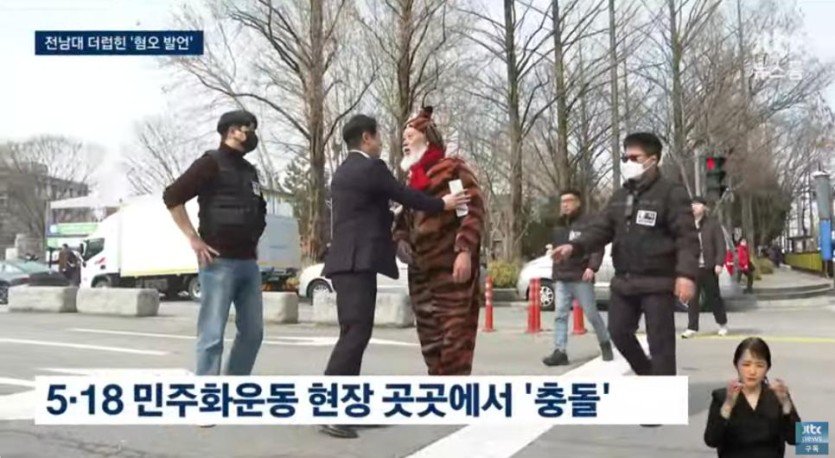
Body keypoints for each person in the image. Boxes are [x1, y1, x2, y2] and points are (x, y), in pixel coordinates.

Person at [319, 114, 468, 439]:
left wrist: (396, 216)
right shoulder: (372, 168)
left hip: (346, 262)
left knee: (354, 333)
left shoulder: (344, 172)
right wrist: (442, 203)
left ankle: (346, 408)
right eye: (378, 136)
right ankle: (329, 408)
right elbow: (406, 195)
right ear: (367, 138)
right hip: (356, 263)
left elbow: (369, 211)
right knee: (354, 335)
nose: (383, 142)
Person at [551, 132, 699, 394]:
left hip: (657, 281)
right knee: (618, 332)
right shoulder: (621, 195)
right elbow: (601, 229)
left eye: (634, 158)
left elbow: (687, 238)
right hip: (624, 281)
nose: (628, 163)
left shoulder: (671, 193)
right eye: (625, 158)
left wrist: (685, 275)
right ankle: (649, 376)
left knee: (661, 343)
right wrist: (574, 247)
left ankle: (664, 397)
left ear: (653, 160)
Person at [162, 110, 266, 384]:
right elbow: (172, 197)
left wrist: (254, 240)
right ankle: (208, 394)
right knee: (212, 336)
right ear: (233, 131)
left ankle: (233, 387)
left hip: (248, 264)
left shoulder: (250, 171)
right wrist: (193, 238)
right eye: (248, 128)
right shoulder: (210, 163)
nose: (252, 134)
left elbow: (260, 211)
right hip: (218, 263)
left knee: (253, 333)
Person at [392, 106, 486, 376]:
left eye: (410, 135)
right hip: (421, 274)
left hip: (450, 271)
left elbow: (472, 212)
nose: (405, 141)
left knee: (455, 337)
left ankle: (454, 387)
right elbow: (401, 222)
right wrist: (400, 241)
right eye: (404, 137)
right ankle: (437, 384)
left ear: (428, 137)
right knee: (430, 340)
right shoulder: (411, 180)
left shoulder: (452, 169)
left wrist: (464, 250)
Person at [542, 189, 613, 366]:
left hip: (581, 275)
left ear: (578, 202)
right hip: (562, 276)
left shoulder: (588, 223)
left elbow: (597, 246)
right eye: (562, 202)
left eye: (569, 201)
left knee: (591, 314)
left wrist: (592, 267)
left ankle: (605, 343)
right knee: (560, 315)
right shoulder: (559, 225)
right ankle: (560, 351)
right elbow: (558, 249)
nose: (565, 205)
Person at [704, 337, 800, 457]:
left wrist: (786, 405)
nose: (752, 371)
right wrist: (728, 406)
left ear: (767, 368)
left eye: (760, 365)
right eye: (746, 365)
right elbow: (711, 441)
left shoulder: (778, 396)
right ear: (736, 365)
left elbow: (796, 439)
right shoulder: (721, 397)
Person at [682, 196, 729, 338]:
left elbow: (720, 245)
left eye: (697, 204)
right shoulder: (687, 225)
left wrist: (719, 263)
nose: (694, 207)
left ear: (704, 207)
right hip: (693, 267)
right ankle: (692, 327)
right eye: (692, 205)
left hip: (709, 267)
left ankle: (722, 323)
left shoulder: (712, 224)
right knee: (692, 299)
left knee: (713, 297)